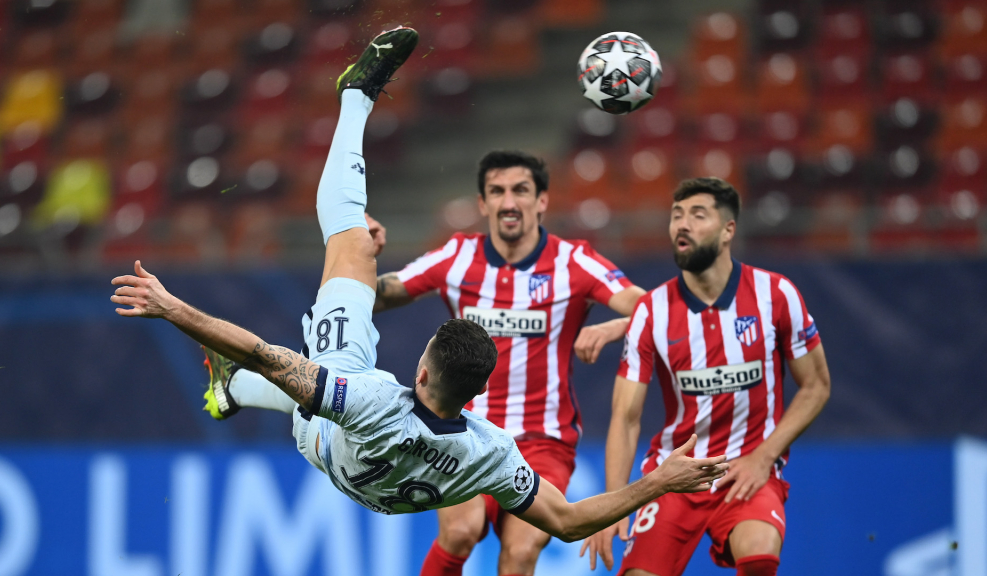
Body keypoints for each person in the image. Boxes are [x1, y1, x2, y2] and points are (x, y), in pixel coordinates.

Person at [110, 27, 728, 546]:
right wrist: (659, 482)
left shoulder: (373, 400)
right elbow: (567, 523)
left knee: (344, 245)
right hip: (370, 483)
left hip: (334, 432)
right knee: (284, 370)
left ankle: (355, 96)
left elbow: (266, 353)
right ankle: (232, 393)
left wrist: (172, 307)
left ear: (423, 374)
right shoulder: (491, 451)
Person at [214, 136, 646, 576]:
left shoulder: (574, 262)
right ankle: (242, 386)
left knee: (520, 555)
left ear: (542, 201)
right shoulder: (459, 256)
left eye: (521, 190)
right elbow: (382, 295)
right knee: (459, 533)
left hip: (544, 437)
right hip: (465, 434)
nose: (509, 201)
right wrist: (364, 258)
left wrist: (613, 326)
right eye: (497, 191)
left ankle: (242, 386)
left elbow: (655, 310)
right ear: (482, 202)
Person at [579, 177, 831, 576]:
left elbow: (817, 385)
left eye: (698, 215)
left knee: (761, 553)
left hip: (746, 469)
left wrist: (763, 457)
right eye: (676, 215)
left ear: (728, 229)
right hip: (674, 473)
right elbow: (625, 417)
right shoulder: (652, 311)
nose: (683, 224)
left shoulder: (777, 294)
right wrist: (614, 504)